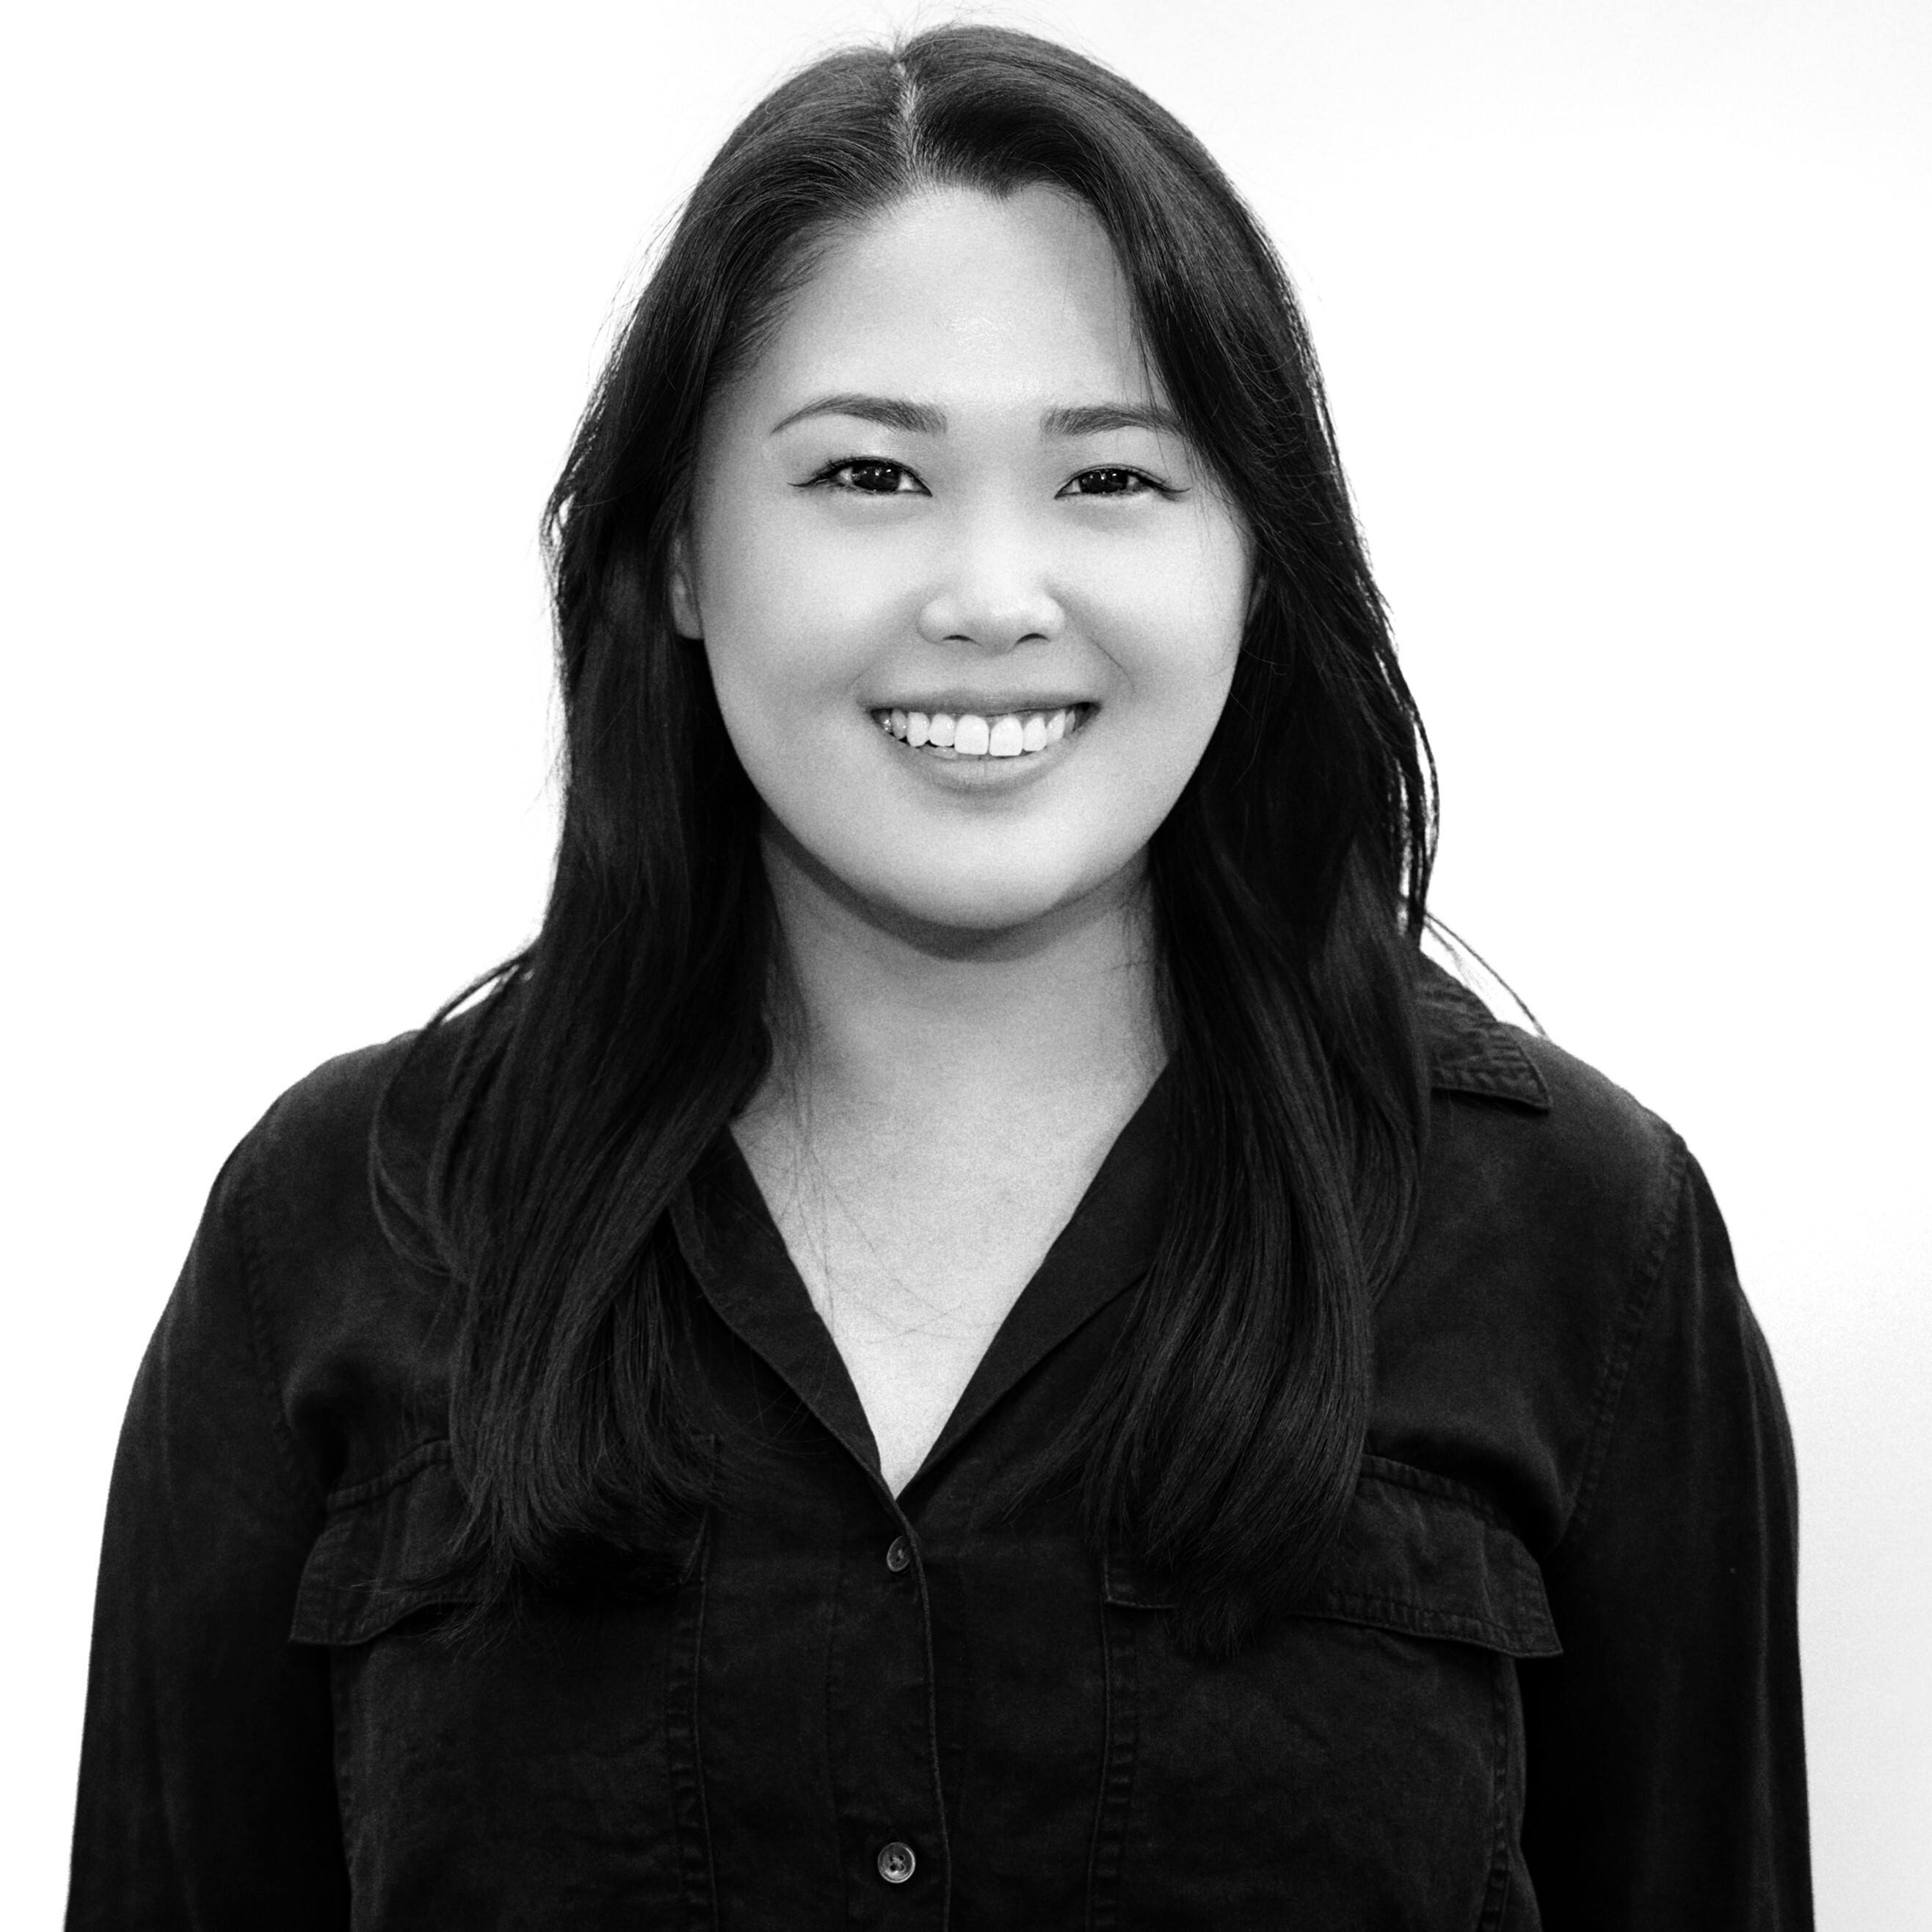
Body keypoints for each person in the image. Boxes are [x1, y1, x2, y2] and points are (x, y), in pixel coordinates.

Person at [66, 24, 1809, 1929]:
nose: (992, 591)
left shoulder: (1578, 1241)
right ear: (674, 555)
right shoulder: (342, 1231)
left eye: (1115, 481)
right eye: (873, 474)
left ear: (1253, 556)